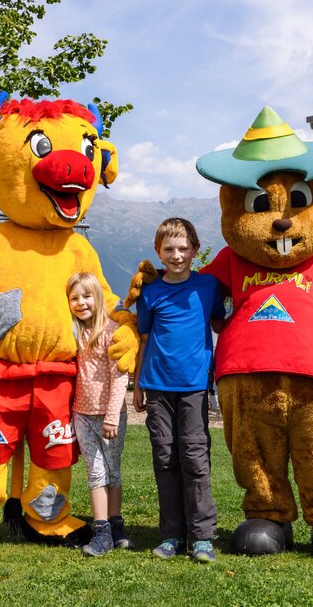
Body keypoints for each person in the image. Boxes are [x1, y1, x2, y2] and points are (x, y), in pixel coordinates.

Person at [132, 218, 225, 563]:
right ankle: (172, 534)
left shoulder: (208, 287)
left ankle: (201, 537)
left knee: (195, 459)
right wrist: (138, 384)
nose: (177, 255)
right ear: (158, 251)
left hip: (195, 388)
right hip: (156, 386)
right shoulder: (150, 292)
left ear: (195, 251)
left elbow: (220, 323)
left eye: (184, 248)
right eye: (169, 249)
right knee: (165, 459)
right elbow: (143, 339)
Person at [67, 271, 132, 557]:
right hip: (82, 415)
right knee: (95, 473)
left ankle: (116, 524)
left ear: (98, 297)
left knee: (112, 471)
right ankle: (102, 529)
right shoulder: (73, 332)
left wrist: (111, 416)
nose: (81, 303)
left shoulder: (111, 332)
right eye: (74, 298)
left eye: (86, 296)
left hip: (109, 416)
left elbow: (119, 377)